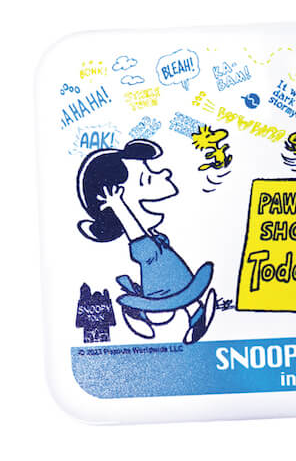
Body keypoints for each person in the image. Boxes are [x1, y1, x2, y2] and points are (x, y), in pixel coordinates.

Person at [76, 139, 216, 343]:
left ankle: (193, 316)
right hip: (163, 292)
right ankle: (139, 313)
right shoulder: (146, 248)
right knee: (163, 311)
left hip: (179, 284)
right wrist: (118, 206)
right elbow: (135, 232)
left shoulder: (154, 240)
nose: (165, 173)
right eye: (147, 179)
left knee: (178, 303)